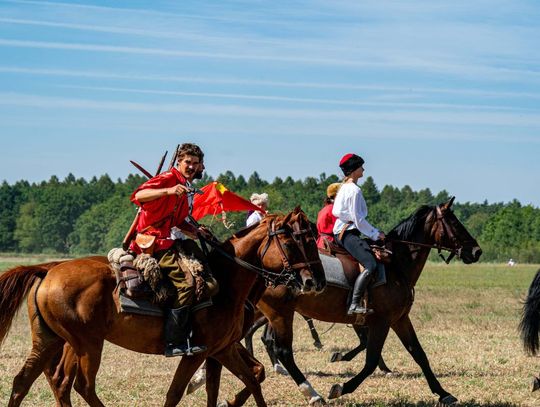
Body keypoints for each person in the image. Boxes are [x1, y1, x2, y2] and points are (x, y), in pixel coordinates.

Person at [130, 143, 212, 357]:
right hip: (152, 242)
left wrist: (195, 230)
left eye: (195, 163)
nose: (192, 167)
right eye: (188, 162)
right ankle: (174, 342)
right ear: (179, 162)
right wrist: (168, 190)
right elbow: (139, 195)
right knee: (186, 285)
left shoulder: (184, 187)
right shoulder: (169, 179)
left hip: (167, 241)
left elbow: (178, 221)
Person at [332, 153, 385, 315]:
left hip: (342, 232)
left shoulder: (343, 188)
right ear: (354, 170)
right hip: (347, 233)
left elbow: (336, 211)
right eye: (361, 166)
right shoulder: (354, 190)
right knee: (370, 264)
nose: (363, 169)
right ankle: (354, 304)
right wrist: (376, 234)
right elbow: (358, 219)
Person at [316, 182, 341, 249]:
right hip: (330, 243)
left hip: (320, 242)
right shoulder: (334, 209)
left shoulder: (323, 209)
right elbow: (339, 229)